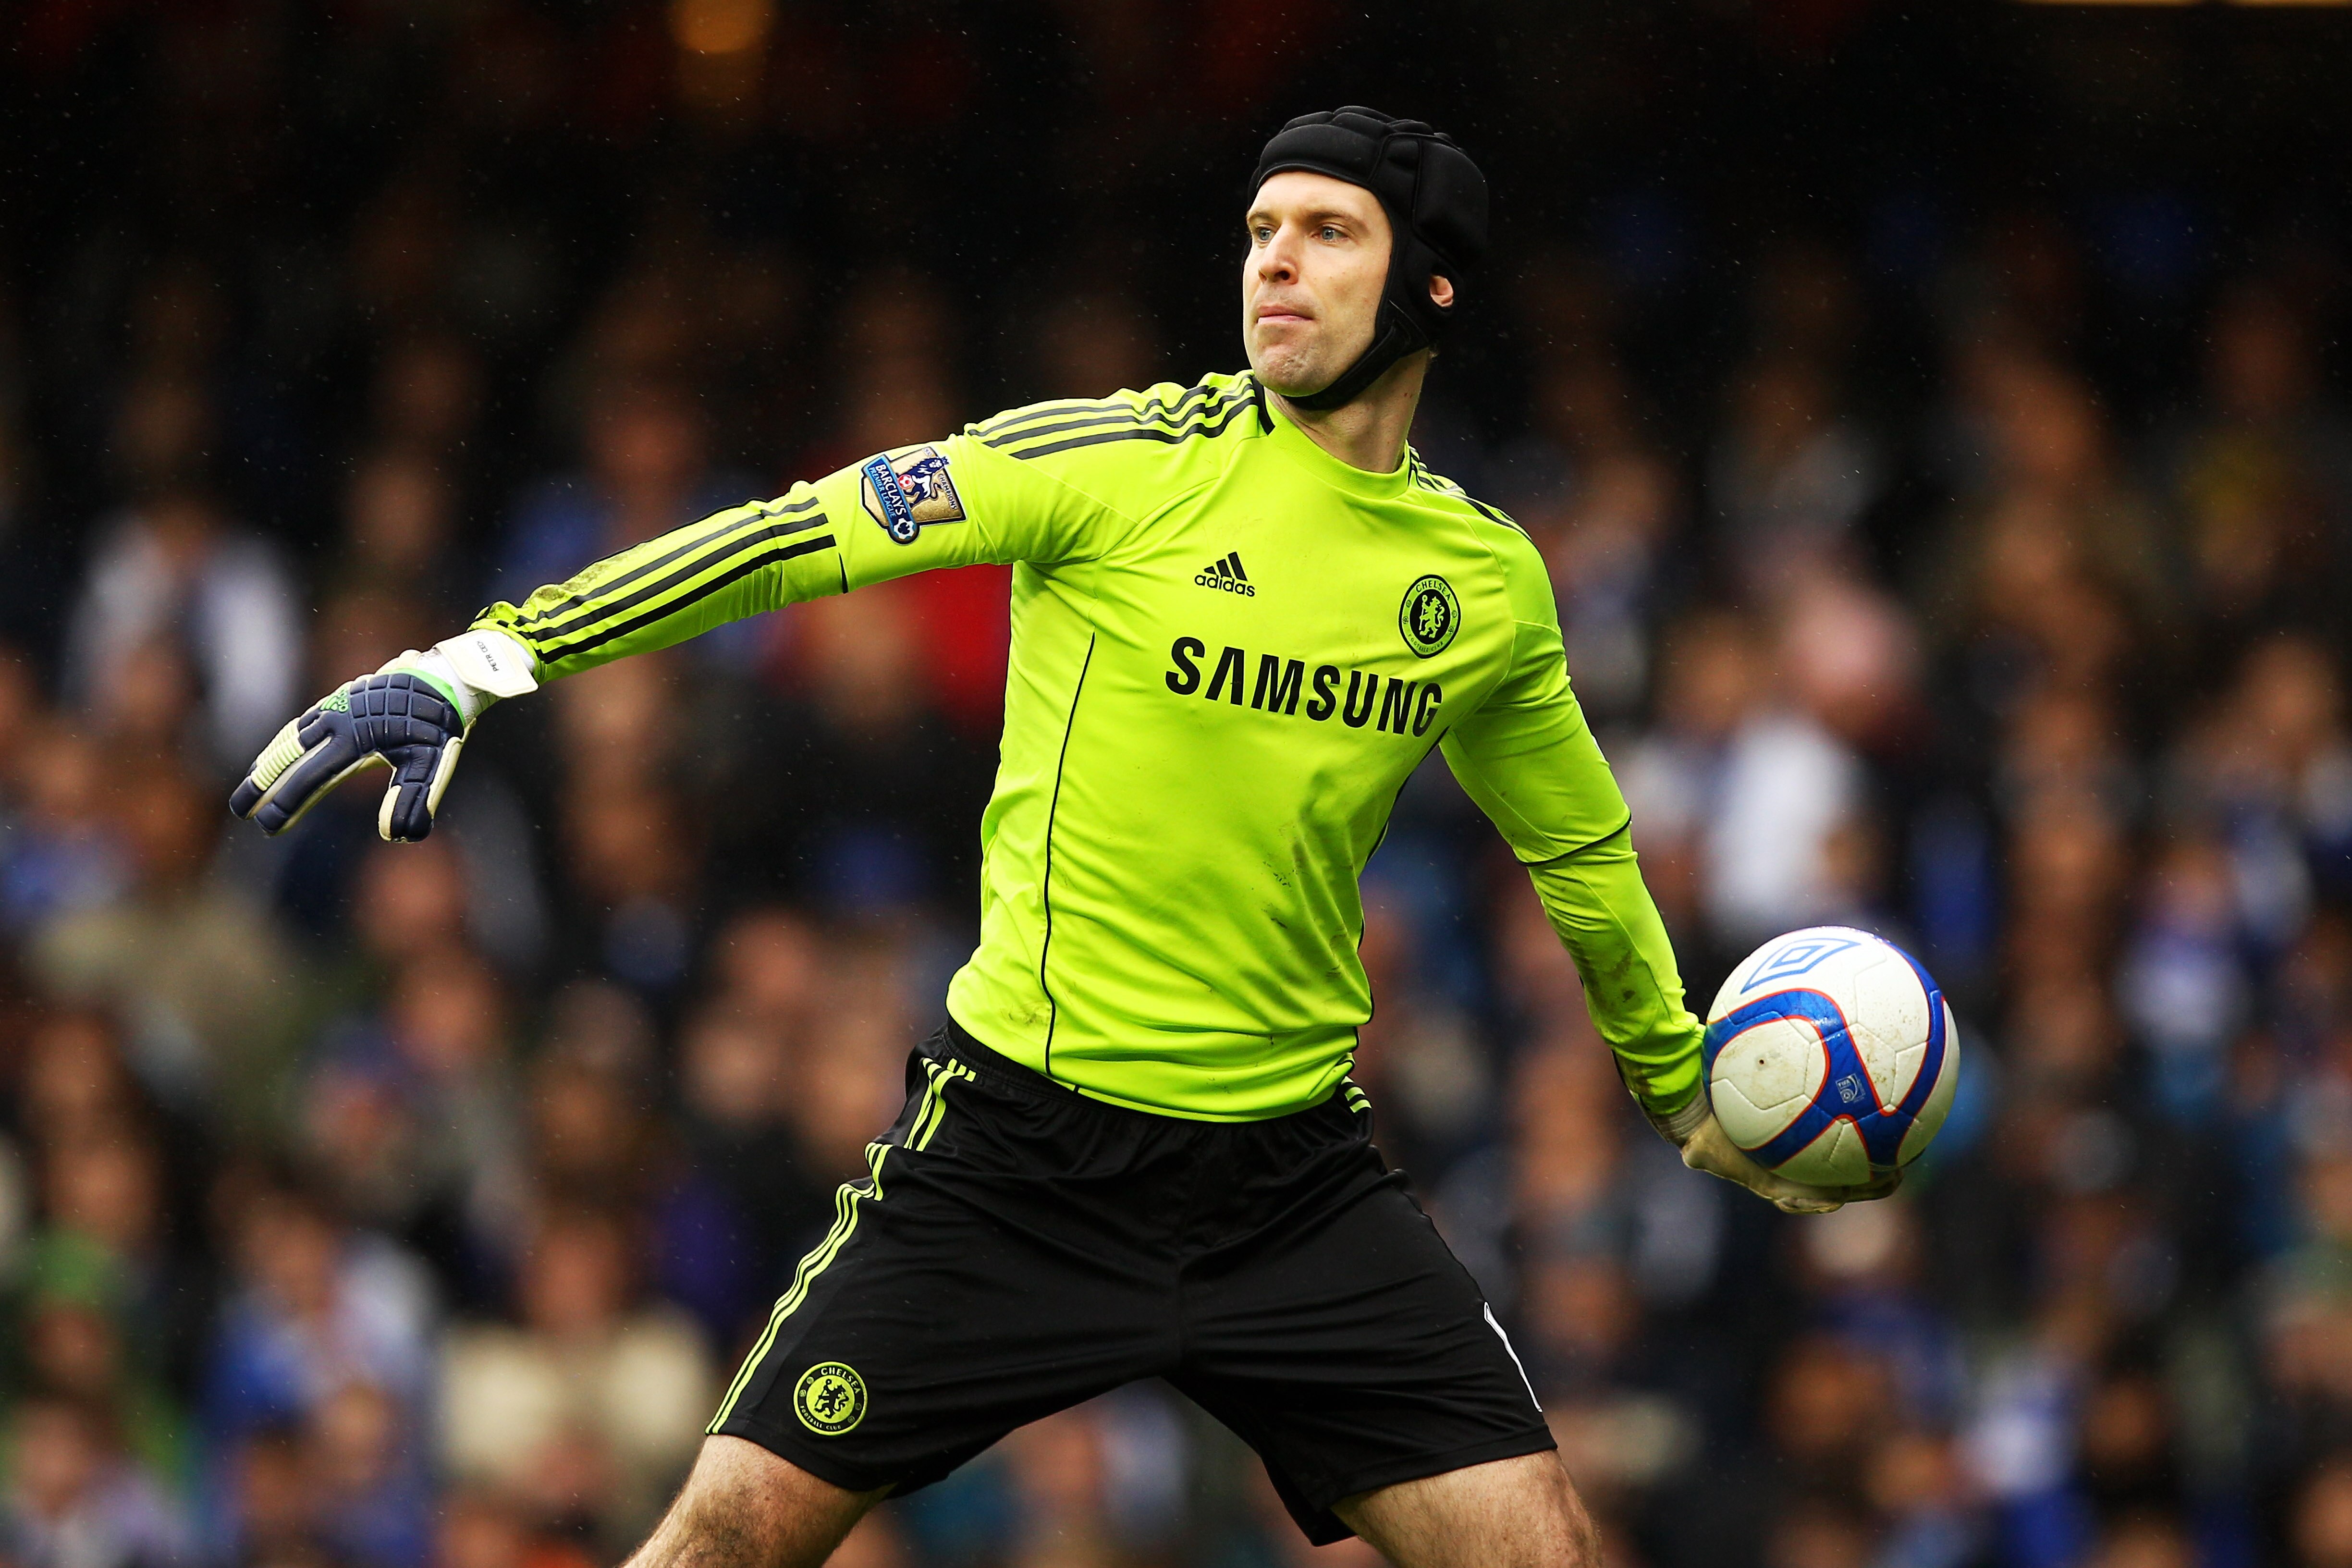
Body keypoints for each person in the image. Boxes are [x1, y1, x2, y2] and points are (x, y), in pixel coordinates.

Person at [229, 109, 1895, 1568]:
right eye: (1259, 230)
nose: (1275, 265)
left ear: (1434, 288)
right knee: (723, 1535)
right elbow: (793, 539)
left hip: (1290, 1186)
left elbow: (1583, 852)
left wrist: (1673, 1068)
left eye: (1328, 233)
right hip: (1018, 1158)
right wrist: (488, 657)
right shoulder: (1105, 464)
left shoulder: (1481, 587)